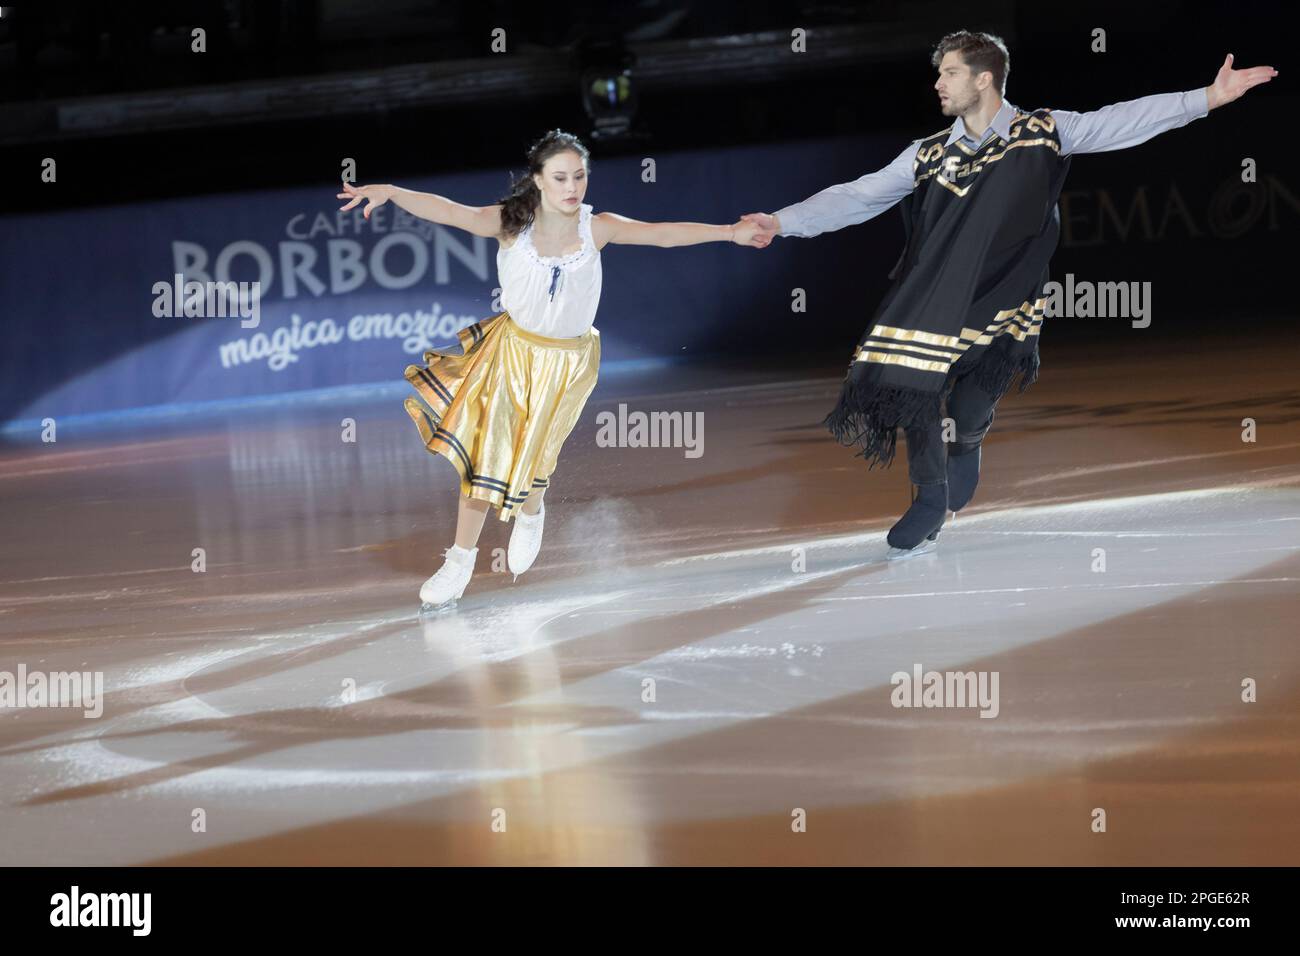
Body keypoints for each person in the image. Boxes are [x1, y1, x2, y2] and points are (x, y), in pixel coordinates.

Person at [741, 32, 1276, 558]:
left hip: (1007, 288)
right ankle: (929, 499)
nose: (938, 84)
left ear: (984, 77)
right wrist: (782, 221)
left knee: (971, 399)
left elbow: (1120, 120)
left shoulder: (1044, 131)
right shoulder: (926, 154)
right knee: (911, 380)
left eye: (949, 73)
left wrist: (1205, 98)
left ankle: (968, 443)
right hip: (934, 291)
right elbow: (858, 196)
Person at [338, 129, 761, 609]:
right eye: (559, 177)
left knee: (539, 455)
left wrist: (730, 232)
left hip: (571, 363)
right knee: (486, 456)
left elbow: (661, 234)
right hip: (512, 355)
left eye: (578, 176)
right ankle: (459, 559)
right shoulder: (511, 225)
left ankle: (532, 512)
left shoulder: (595, 227)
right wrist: (391, 192)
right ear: (538, 180)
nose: (571, 187)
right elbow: (450, 211)